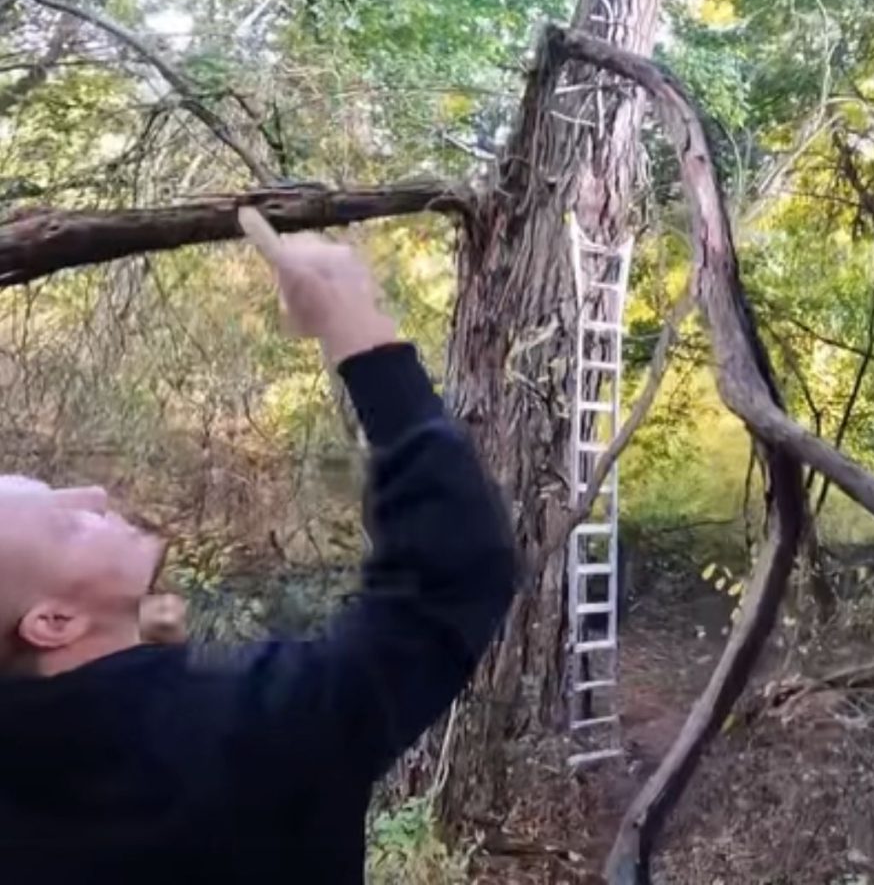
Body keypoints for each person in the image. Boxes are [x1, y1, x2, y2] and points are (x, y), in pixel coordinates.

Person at [0, 212, 517, 885]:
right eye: (65, 524)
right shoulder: (234, 731)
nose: (94, 494)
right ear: (53, 623)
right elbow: (450, 575)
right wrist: (360, 334)